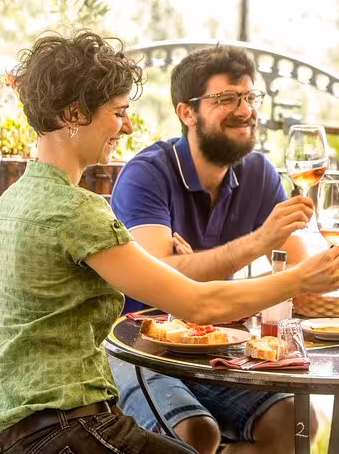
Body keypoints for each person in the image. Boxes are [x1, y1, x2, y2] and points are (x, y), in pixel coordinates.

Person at [0, 31, 339, 454]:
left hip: (22, 432)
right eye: (118, 112)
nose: (127, 126)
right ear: (73, 114)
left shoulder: (16, 198)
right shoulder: (75, 209)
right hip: (71, 430)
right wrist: (299, 279)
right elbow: (198, 305)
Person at [107, 45, 318, 454]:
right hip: (140, 344)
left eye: (250, 97)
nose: (245, 110)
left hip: (217, 345)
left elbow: (301, 277)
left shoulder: (258, 173)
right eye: (226, 99)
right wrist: (257, 245)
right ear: (187, 112)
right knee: (196, 433)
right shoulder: (147, 173)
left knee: (295, 421)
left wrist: (200, 270)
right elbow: (158, 280)